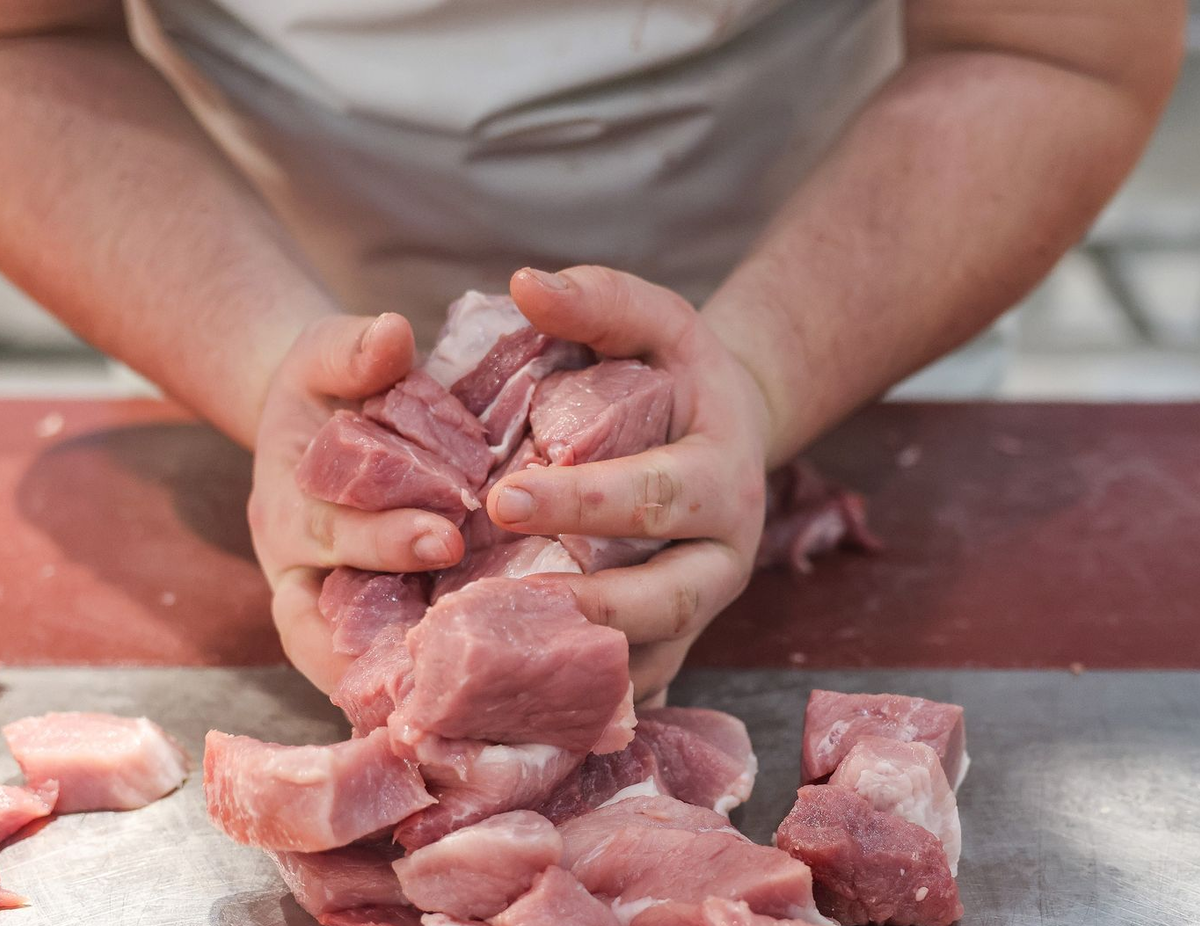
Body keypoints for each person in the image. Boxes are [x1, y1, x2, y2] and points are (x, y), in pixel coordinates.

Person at [0, 1, 1184, 702]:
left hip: (847, 317)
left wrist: (762, 375)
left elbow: (1051, 45)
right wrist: (264, 365)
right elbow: (28, 38)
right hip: (226, 321)